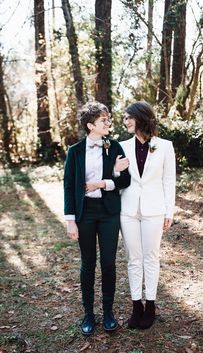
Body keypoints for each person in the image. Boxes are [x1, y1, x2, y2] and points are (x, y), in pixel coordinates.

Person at [64, 101, 130, 336]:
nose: (108, 123)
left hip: (109, 212)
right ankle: (89, 314)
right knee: (88, 264)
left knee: (109, 263)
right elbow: (69, 186)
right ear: (91, 125)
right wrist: (71, 220)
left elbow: (124, 181)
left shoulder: (115, 147)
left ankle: (109, 313)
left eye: (108, 119)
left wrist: (105, 181)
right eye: (104, 120)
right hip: (85, 213)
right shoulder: (74, 151)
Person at [118, 100, 176, 329]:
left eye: (128, 117)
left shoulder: (165, 146)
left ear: (141, 118)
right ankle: (136, 307)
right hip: (128, 210)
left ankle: (150, 305)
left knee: (151, 257)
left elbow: (169, 181)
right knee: (134, 259)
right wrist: (115, 170)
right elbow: (119, 179)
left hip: (154, 210)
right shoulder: (121, 146)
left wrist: (169, 210)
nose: (126, 122)